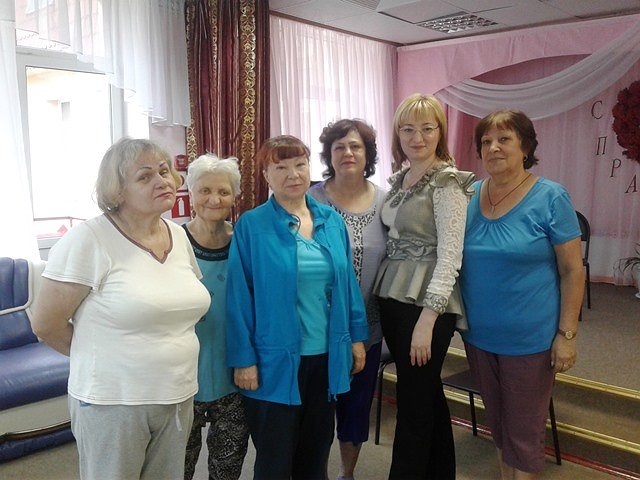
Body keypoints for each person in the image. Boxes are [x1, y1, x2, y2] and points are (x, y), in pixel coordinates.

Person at [30, 138, 211, 480]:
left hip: (177, 392)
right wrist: (105, 356)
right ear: (117, 191)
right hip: (113, 400)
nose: (162, 181)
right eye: (145, 176)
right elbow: (46, 324)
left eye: (164, 171)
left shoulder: (178, 235)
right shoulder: (89, 239)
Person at [226, 135, 369, 480]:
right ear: (266, 175)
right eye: (281, 167)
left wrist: (356, 339)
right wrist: (243, 359)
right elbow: (238, 297)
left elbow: (347, 285)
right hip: (273, 361)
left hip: (326, 357)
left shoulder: (331, 221)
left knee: (315, 455)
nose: (293, 174)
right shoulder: (252, 225)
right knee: (274, 460)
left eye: (300, 164)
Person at [460, 109, 584, 480]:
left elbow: (572, 271)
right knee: (498, 427)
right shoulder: (468, 194)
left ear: (525, 147)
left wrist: (567, 335)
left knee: (524, 434)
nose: (493, 148)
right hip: (478, 337)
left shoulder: (551, 196)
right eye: (486, 141)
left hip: (530, 340)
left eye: (504, 139)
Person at [372, 93, 475, 479]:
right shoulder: (400, 180)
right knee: (426, 394)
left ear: (440, 132)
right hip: (394, 296)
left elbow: (450, 256)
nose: (417, 137)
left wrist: (427, 321)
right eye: (408, 129)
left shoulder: (447, 182)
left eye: (427, 129)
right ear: (397, 134)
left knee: (413, 404)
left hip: (428, 305)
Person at [309, 119, 387, 480]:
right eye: (339, 147)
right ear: (329, 155)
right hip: (319, 329)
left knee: (356, 410)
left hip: (368, 328)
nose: (347, 153)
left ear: (368, 154)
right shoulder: (310, 200)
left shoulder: (386, 202)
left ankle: (347, 474)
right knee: (318, 412)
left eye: (355, 146)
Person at [182, 154, 249, 480]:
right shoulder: (172, 242)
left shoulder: (244, 243)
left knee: (227, 468)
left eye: (223, 191)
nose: (214, 199)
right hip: (182, 376)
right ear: (191, 193)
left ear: (235, 196)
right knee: (177, 466)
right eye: (205, 190)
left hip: (233, 372)